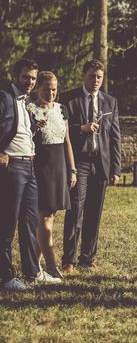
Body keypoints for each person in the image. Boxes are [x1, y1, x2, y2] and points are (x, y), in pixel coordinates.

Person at [0, 59, 61, 291]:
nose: (30, 81)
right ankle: (5, 277)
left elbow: (18, 130)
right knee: (6, 224)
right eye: (26, 76)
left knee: (29, 222)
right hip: (12, 168)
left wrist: (34, 128)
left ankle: (32, 271)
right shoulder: (5, 97)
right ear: (15, 75)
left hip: (30, 167)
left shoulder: (25, 103)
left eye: (33, 78)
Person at [61, 59, 121, 274]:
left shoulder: (110, 102)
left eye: (99, 77)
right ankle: (69, 260)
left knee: (94, 213)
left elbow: (115, 137)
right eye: (91, 76)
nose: (95, 80)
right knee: (76, 210)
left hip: (101, 164)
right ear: (83, 76)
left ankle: (88, 257)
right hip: (79, 162)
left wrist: (116, 168)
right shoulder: (69, 98)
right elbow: (62, 131)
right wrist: (81, 128)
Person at [30, 71, 77, 278]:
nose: (51, 93)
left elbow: (67, 141)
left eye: (54, 89)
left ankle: (33, 267)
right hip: (41, 167)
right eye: (46, 89)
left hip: (60, 167)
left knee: (50, 218)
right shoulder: (30, 110)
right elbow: (24, 138)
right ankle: (51, 266)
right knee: (45, 217)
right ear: (37, 89)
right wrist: (34, 128)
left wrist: (72, 169)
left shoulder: (61, 109)